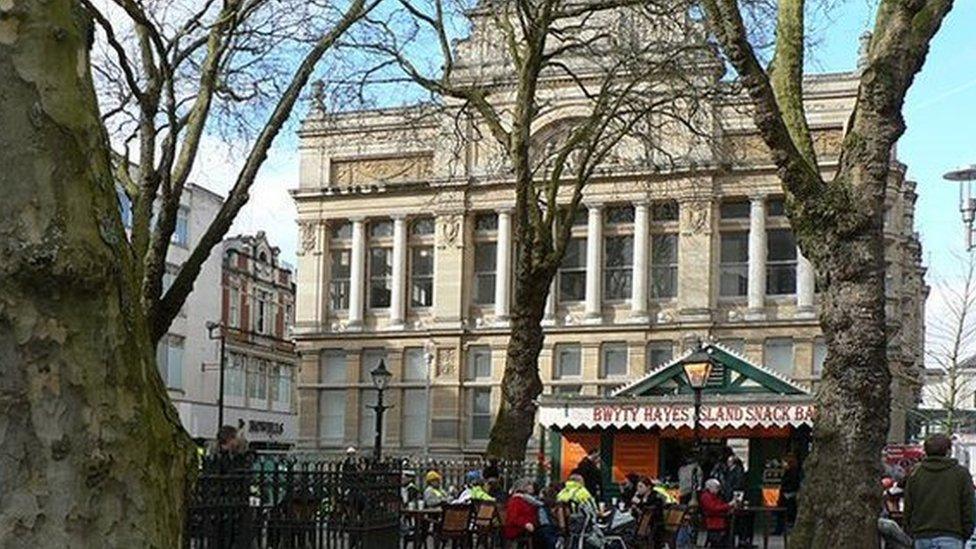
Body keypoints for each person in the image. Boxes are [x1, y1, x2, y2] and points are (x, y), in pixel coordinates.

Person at [905, 433, 975, 549]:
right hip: (952, 535)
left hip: (921, 535)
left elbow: (909, 505)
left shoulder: (916, 474)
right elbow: (968, 506)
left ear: (926, 451)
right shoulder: (961, 474)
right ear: (948, 451)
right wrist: (966, 531)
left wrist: (910, 530)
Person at [504, 478, 557, 549]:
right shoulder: (516, 500)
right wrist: (526, 524)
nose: (532, 487)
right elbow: (513, 517)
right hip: (518, 528)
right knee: (545, 533)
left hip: (531, 526)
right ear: (523, 487)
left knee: (548, 530)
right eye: (529, 485)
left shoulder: (529, 499)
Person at [701, 478, 735, 548]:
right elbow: (713, 508)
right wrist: (729, 505)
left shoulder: (715, 496)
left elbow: (720, 505)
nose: (718, 489)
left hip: (720, 518)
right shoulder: (706, 496)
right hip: (714, 520)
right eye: (716, 487)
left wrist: (728, 508)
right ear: (710, 487)